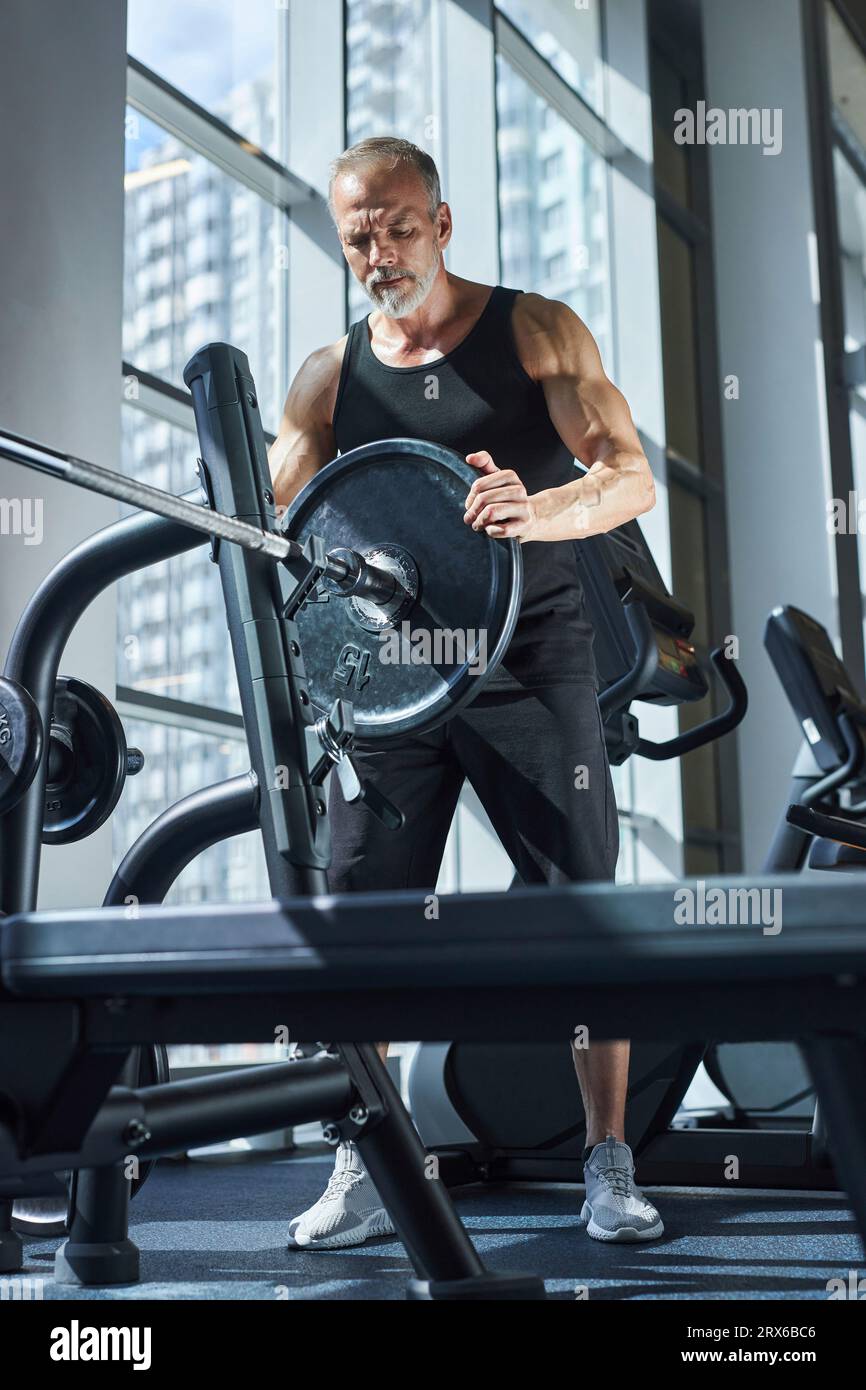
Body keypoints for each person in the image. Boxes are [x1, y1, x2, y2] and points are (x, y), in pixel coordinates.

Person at [268, 136, 660, 1249]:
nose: (380, 251)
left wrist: (536, 509)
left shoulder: (533, 330)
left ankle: (607, 1163)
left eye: (399, 226)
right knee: (362, 917)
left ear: (441, 224)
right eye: (358, 235)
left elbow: (626, 474)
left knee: (576, 902)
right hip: (396, 671)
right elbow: (273, 527)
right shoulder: (328, 375)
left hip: (529, 649)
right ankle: (364, 1163)